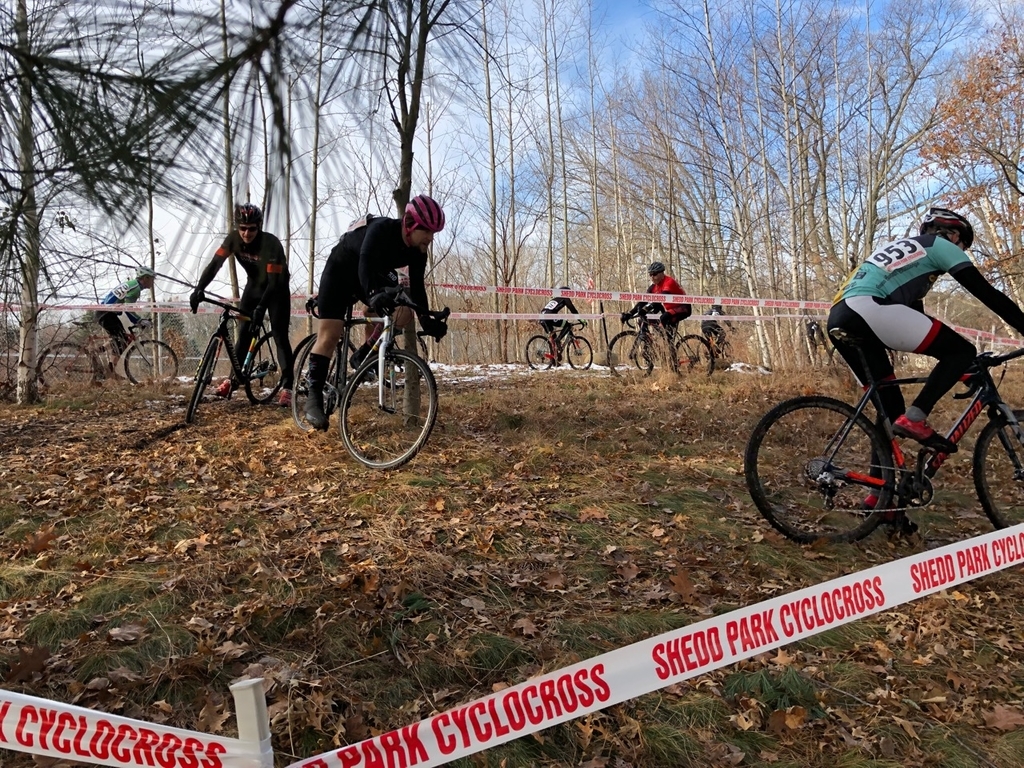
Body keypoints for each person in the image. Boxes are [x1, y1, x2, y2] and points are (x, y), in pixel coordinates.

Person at [828, 207, 1024, 472]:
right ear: (954, 235)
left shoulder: (908, 254)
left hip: (841, 315)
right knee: (962, 350)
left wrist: (957, 370)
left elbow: (917, 322)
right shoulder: (940, 245)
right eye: (963, 247)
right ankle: (916, 419)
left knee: (890, 409)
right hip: (871, 308)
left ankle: (881, 501)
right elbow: (987, 294)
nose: (961, 253)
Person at [302, 194, 449, 431]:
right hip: (342, 270)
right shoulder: (381, 229)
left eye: (434, 233)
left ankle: (365, 353)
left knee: (404, 310)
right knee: (330, 335)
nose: (431, 238)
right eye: (428, 231)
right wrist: (372, 295)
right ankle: (313, 396)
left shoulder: (418, 250)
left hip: (370, 273)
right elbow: (364, 263)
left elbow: (418, 287)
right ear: (411, 225)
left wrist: (427, 319)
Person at [188, 203, 294, 407]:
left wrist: (261, 309)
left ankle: (288, 386)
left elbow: (273, 284)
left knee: (280, 335)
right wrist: (198, 288)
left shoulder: (270, 244)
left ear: (259, 227)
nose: (246, 233)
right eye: (242, 228)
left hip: (276, 289)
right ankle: (232, 380)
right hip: (254, 287)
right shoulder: (233, 239)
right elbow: (214, 265)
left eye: (252, 228)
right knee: (244, 332)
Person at [95, 266, 156, 372]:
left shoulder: (132, 284)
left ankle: (97, 351)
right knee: (122, 341)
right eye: (152, 279)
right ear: (145, 278)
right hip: (106, 314)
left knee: (120, 338)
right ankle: (109, 371)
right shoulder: (135, 289)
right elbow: (128, 308)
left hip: (105, 312)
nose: (153, 282)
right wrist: (139, 321)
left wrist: (137, 320)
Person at [620, 261, 692, 329]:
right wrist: (630, 313)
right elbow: (644, 301)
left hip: (683, 308)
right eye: (650, 274)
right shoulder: (654, 286)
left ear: (662, 273)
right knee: (644, 320)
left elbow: (661, 298)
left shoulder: (669, 282)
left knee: (664, 318)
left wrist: (645, 309)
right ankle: (652, 339)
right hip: (670, 309)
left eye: (654, 274)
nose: (652, 277)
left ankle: (667, 340)